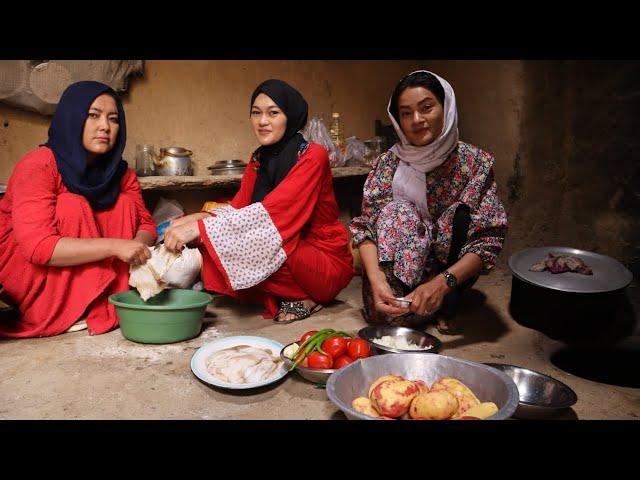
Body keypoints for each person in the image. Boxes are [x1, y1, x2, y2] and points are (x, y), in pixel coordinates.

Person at [163, 79, 354, 323]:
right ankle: (287, 293)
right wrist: (191, 220)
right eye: (256, 113)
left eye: (273, 113)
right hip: (288, 245)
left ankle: (310, 296)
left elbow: (275, 214)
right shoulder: (259, 159)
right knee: (212, 242)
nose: (262, 121)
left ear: (290, 116)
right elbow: (239, 209)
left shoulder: (312, 156)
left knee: (243, 244)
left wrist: (200, 229)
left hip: (321, 259)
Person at [349, 70, 507, 334]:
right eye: (406, 113)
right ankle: (398, 300)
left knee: (460, 216)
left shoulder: (473, 164)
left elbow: (488, 239)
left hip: (449, 271)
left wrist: (442, 284)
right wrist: (376, 281)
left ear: (446, 108)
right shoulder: (388, 164)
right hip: (398, 268)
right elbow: (365, 228)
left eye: (426, 108)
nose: (417, 120)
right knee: (399, 212)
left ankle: (444, 302)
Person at [0, 81, 157, 338]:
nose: (105, 126)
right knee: (71, 205)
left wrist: (138, 247)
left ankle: (103, 301)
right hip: (26, 268)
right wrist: (116, 246)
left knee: (123, 203)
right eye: (93, 115)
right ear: (72, 118)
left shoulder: (121, 174)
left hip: (96, 266)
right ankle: (60, 309)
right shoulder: (39, 165)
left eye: (113, 118)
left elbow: (147, 225)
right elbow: (38, 247)